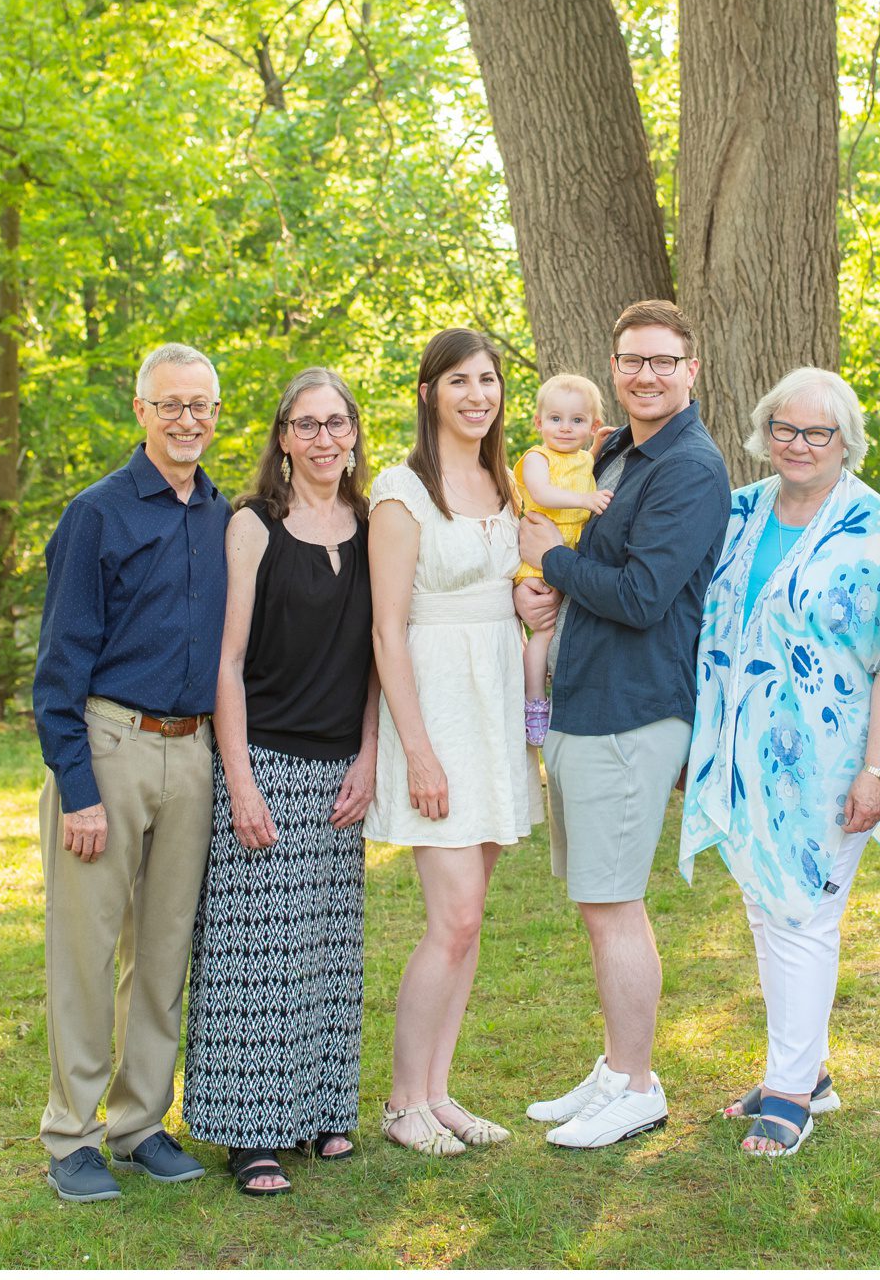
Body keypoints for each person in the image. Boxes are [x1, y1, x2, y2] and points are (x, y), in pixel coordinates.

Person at [677, 366, 880, 1158]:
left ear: (846, 442)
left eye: (817, 432)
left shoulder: (877, 527)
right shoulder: (740, 510)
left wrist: (876, 771)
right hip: (744, 753)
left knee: (804, 913)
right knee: (763, 904)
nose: (799, 444)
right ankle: (806, 1071)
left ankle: (789, 1097)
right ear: (765, 433)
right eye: (785, 428)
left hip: (830, 758)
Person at [515, 299, 730, 1149]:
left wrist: (551, 560)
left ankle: (638, 1085)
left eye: (662, 361)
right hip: (584, 699)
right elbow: (582, 557)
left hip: (633, 709)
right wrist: (550, 583)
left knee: (614, 903)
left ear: (691, 370)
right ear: (614, 370)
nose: (645, 373)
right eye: (631, 360)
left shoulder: (690, 468)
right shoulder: (613, 453)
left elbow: (643, 597)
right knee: (596, 900)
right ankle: (613, 1068)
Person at [31, 342, 229, 1203]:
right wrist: (77, 790)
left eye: (203, 406)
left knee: (164, 950)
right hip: (108, 746)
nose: (189, 420)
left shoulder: (225, 514)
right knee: (84, 949)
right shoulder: (98, 514)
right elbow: (57, 666)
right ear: (141, 411)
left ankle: (141, 1122)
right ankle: (71, 1135)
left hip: (194, 752)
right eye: (171, 404)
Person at [182, 367, 378, 1198]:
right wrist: (241, 779)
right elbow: (226, 662)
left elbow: (379, 657)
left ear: (356, 434)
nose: (325, 438)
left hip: (342, 766)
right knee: (249, 952)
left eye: (338, 423)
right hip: (262, 758)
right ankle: (249, 1131)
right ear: (283, 438)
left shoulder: (375, 525)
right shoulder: (253, 526)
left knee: (326, 948)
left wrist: (370, 757)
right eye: (307, 425)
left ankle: (321, 1109)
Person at [365, 327, 540, 1157]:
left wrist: (533, 607)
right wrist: (419, 751)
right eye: (460, 381)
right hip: (434, 711)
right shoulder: (401, 491)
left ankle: (438, 1092)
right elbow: (386, 632)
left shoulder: (505, 484)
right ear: (429, 391)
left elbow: (512, 593)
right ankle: (402, 1102)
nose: (479, 395)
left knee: (472, 923)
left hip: (497, 704)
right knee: (453, 916)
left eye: (490, 380)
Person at [513, 373, 614, 746]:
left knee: (562, 629)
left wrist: (598, 449)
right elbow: (543, 491)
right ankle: (535, 701)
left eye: (577, 421)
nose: (565, 428)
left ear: (592, 426)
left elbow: (578, 470)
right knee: (543, 632)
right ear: (539, 422)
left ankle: (560, 695)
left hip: (569, 559)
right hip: (540, 559)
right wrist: (587, 501)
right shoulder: (537, 458)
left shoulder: (581, 460)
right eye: (555, 419)